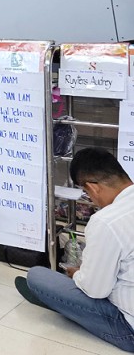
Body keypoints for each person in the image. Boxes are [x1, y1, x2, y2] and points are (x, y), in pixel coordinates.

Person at [16, 148, 134, 352]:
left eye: (87, 194)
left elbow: (96, 290)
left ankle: (61, 304)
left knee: (37, 276)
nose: (92, 200)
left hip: (128, 329)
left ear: (93, 188)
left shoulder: (106, 221)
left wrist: (79, 274)